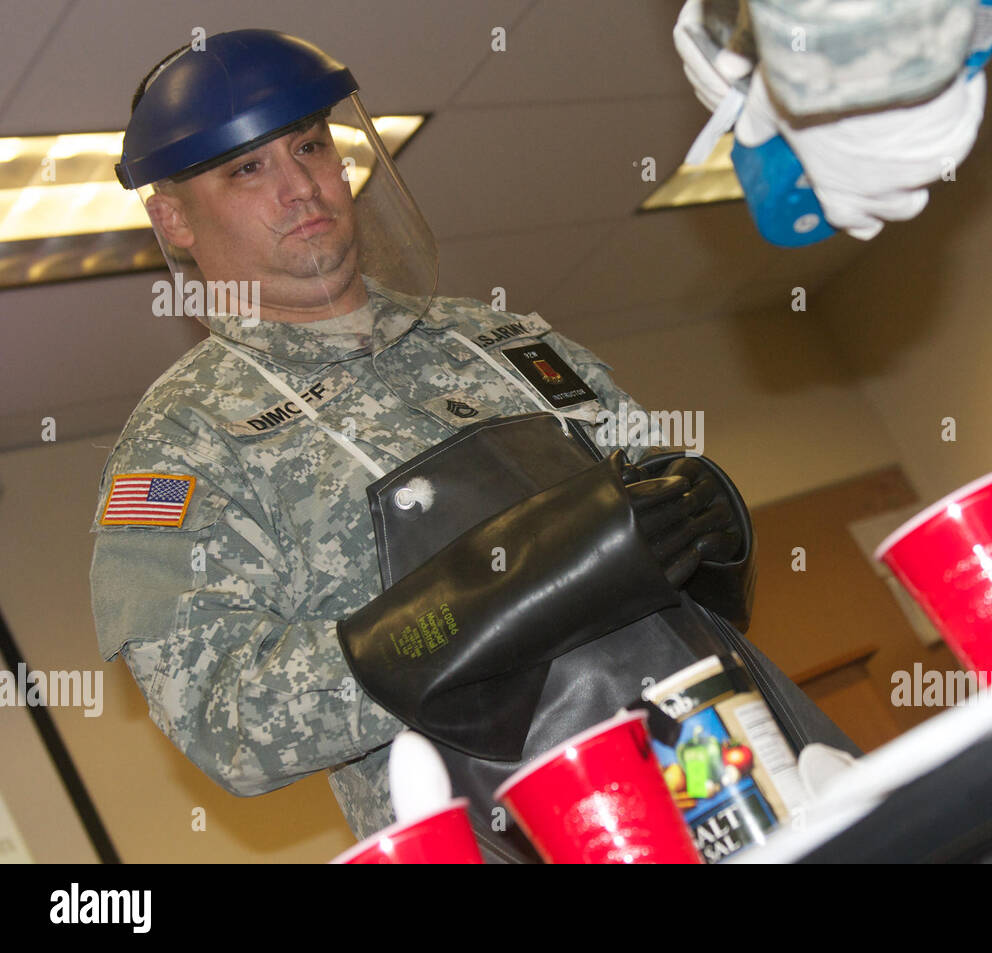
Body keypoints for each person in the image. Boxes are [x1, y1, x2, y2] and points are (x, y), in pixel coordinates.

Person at [91, 29, 856, 859]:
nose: (300, 186)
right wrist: (466, 613)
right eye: (247, 169)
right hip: (519, 829)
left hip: (732, 756)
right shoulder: (181, 444)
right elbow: (227, 722)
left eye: (310, 146)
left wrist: (709, 526)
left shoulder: (494, 337)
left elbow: (663, 508)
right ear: (172, 217)